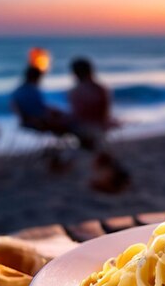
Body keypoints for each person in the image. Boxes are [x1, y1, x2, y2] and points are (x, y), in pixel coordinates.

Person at [68, 57, 130, 193]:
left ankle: (109, 179)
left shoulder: (75, 91)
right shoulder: (101, 89)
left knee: (97, 150)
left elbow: (77, 115)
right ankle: (116, 176)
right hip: (100, 129)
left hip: (83, 131)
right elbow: (104, 113)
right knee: (102, 150)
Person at [11, 66, 72, 137]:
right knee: (67, 121)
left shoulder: (18, 91)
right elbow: (38, 111)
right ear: (36, 77)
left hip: (26, 121)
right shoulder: (32, 91)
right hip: (37, 122)